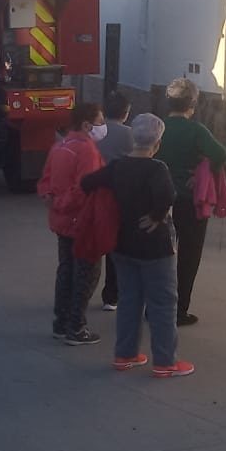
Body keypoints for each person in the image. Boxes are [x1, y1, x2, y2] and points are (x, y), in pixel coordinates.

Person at [81, 114, 195, 378]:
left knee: (130, 299)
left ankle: (125, 354)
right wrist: (155, 216)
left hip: (123, 243)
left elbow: (87, 183)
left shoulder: (118, 167)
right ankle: (165, 361)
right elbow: (168, 195)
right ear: (157, 143)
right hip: (155, 247)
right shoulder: (157, 169)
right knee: (163, 302)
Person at [155, 78, 226, 327]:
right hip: (188, 200)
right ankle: (179, 311)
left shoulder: (159, 127)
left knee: (157, 256)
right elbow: (221, 154)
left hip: (159, 200)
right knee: (189, 254)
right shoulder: (197, 130)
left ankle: (153, 306)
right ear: (193, 104)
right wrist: (201, 173)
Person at [37, 102, 106, 346]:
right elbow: (85, 187)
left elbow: (45, 180)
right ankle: (76, 327)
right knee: (86, 272)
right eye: (99, 121)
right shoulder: (87, 150)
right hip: (81, 221)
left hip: (62, 222)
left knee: (66, 269)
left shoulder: (60, 146)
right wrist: (63, 203)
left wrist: (52, 201)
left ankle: (61, 321)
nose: (102, 126)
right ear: (87, 125)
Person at [96, 90, 134, 312]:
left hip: (95, 192)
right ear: (126, 113)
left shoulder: (94, 133)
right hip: (120, 195)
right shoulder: (130, 134)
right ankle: (111, 295)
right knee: (116, 246)